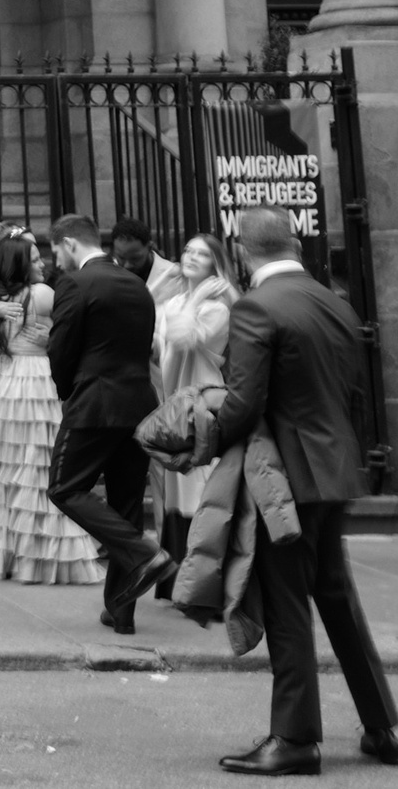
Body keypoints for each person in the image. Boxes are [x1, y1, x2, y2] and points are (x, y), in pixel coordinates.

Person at [210, 206, 398, 777]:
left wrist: (203, 438)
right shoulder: (335, 301)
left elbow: (242, 404)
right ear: (291, 242)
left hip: (285, 478)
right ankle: (380, 727)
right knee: (336, 597)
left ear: (242, 251)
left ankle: (294, 739)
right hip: (334, 466)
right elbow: (351, 389)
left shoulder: (254, 307)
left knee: (288, 601)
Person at [44, 210, 174, 634]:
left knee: (64, 487)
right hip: (139, 406)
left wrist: (68, 392)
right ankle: (122, 612)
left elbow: (60, 350)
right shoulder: (137, 284)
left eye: (54, 251)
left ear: (68, 244)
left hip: (94, 405)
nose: (55, 261)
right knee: (127, 504)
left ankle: (143, 553)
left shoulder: (75, 284)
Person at [0, 230, 102, 585]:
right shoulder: (42, 295)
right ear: (17, 263)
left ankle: (5, 554)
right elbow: (68, 336)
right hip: (32, 380)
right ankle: (43, 558)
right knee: (38, 465)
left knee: (3, 470)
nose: (42, 262)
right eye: (34, 257)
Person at [153, 231, 239, 584]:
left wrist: (197, 296)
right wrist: (163, 284)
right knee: (177, 488)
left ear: (214, 265)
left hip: (202, 406)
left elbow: (183, 335)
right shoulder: (175, 303)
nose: (189, 257)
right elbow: (155, 335)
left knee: (199, 488)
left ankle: (205, 580)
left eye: (200, 255)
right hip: (175, 403)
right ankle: (177, 578)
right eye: (187, 251)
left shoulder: (216, 308)